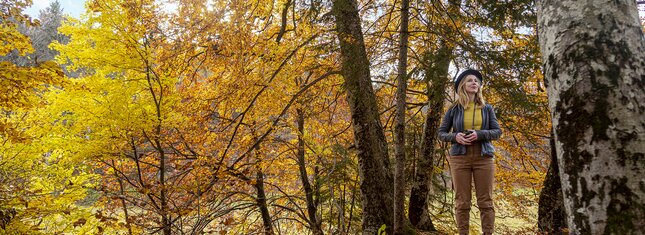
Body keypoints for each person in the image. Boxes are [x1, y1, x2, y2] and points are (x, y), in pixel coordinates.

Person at [438, 69, 502, 235]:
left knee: (485, 202)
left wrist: (479, 134)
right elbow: (441, 133)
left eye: (477, 81)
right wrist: (455, 137)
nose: (474, 83)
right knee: (462, 202)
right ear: (462, 86)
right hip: (459, 157)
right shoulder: (454, 109)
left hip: (483, 157)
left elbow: (497, 132)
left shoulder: (487, 108)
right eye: (470, 80)